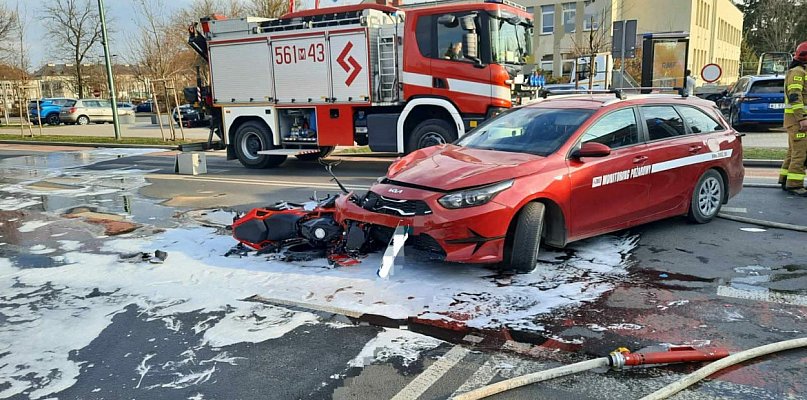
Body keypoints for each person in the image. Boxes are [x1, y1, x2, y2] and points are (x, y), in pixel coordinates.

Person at [780, 41, 807, 196]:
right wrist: (802, 119)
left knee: (793, 152)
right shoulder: (798, 72)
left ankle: (785, 180)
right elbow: (795, 96)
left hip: (795, 121)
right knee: (801, 154)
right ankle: (795, 185)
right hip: (799, 122)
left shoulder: (800, 71)